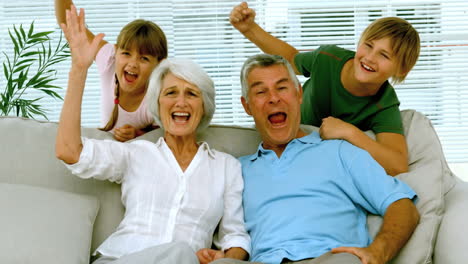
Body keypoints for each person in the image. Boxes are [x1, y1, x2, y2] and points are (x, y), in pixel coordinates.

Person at [55, 6, 250, 264]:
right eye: (170, 93)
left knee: (181, 252)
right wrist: (79, 69)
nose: (180, 102)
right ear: (157, 105)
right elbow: (69, 150)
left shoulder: (227, 167)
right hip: (120, 259)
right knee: (181, 251)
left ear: (204, 107)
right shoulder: (136, 153)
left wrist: (224, 258)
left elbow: (235, 236)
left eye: (191, 94)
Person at [211, 54, 419, 264]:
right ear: (247, 106)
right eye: (260, 91)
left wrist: (378, 252)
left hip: (330, 258)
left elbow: (402, 206)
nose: (273, 98)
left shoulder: (339, 152)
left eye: (282, 88)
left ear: (299, 93)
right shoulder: (236, 170)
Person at [229, 2, 421, 176]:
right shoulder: (328, 59)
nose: (369, 58)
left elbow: (397, 164)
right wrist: (250, 29)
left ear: (401, 69)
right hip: (285, 136)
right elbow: (290, 58)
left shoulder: (384, 103)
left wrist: (349, 132)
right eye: (368, 46)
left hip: (320, 160)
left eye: (384, 55)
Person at [55, 0, 168, 142]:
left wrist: (138, 134)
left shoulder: (159, 96)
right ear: (116, 51)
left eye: (144, 58)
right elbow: (69, 23)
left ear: (159, 65)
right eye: (126, 53)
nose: (133, 64)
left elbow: (166, 137)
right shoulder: (110, 59)